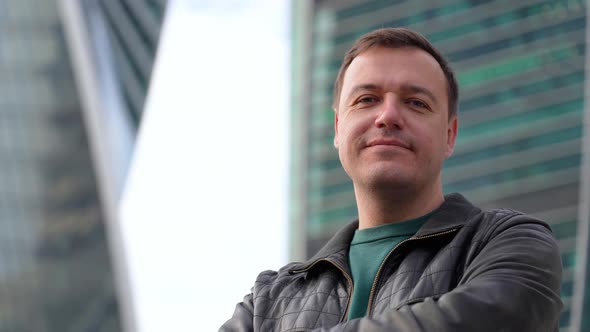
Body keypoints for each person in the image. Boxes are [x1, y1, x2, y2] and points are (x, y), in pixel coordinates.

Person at [220, 27, 562, 332]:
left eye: (416, 103)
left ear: (449, 135)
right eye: (367, 99)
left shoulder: (507, 242)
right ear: (338, 128)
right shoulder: (269, 298)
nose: (388, 116)